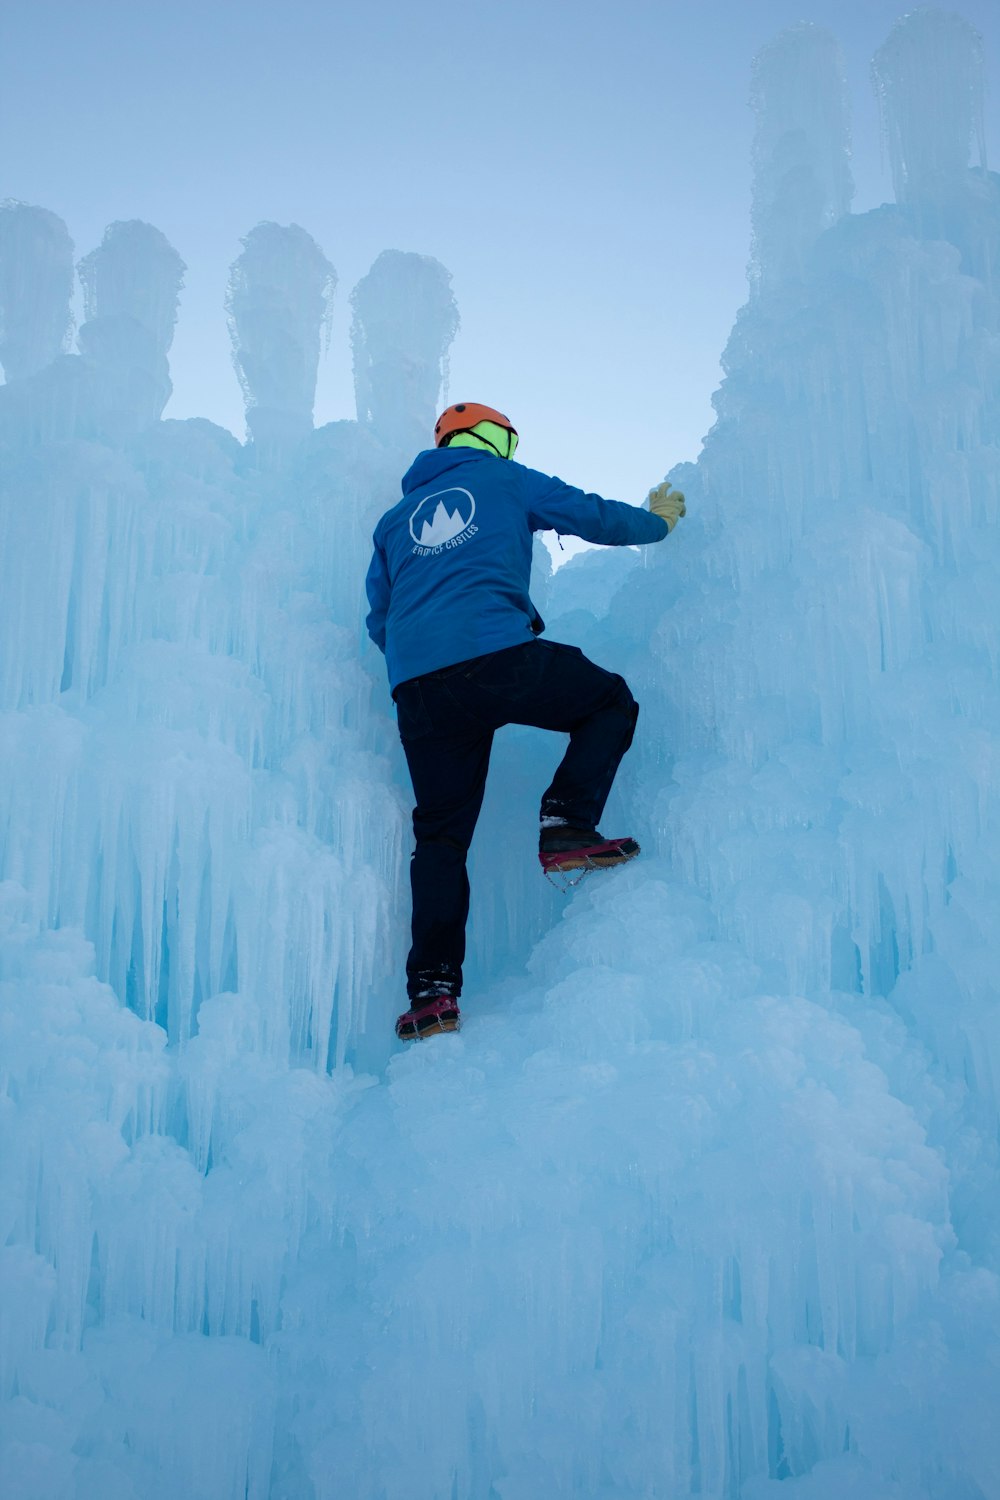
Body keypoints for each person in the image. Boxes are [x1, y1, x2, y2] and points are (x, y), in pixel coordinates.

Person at [365, 402, 685, 1041]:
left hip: (418, 687)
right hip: (494, 653)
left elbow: (379, 614)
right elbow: (588, 513)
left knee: (441, 839)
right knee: (608, 702)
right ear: (490, 439)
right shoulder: (503, 479)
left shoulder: (394, 521)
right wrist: (656, 523)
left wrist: (426, 661)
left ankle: (431, 991)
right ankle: (566, 823)